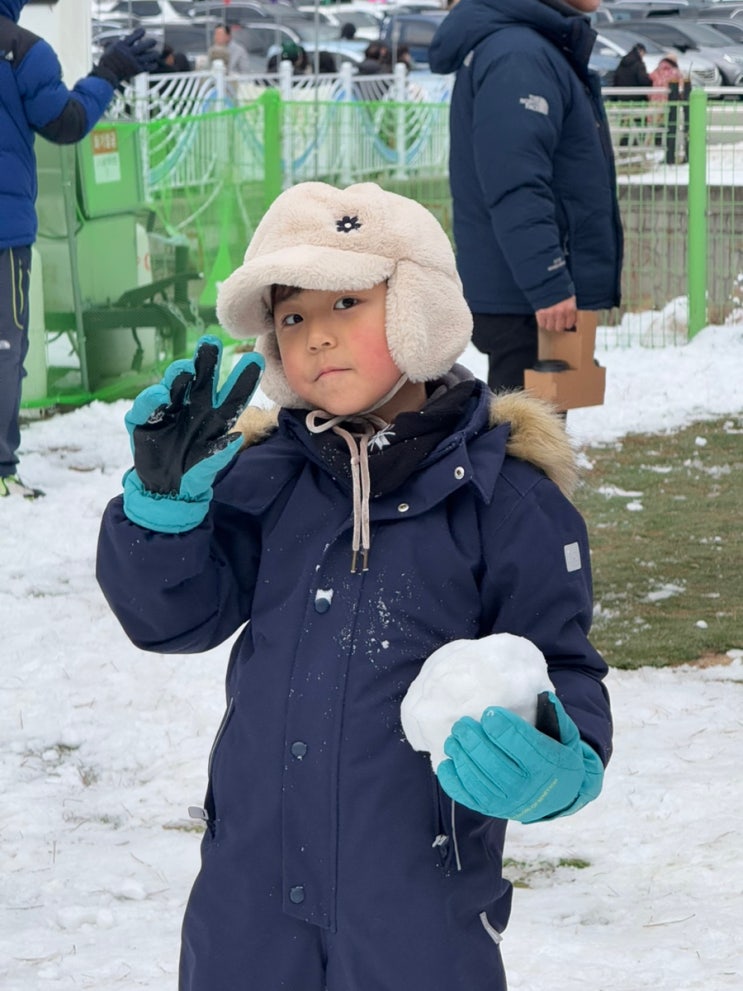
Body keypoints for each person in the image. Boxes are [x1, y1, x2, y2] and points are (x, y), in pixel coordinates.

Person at [96, 180, 612, 991]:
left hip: (416, 909)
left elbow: (562, 664)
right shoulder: (263, 476)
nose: (317, 335)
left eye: (345, 302)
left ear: (416, 310)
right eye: (291, 317)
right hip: (249, 903)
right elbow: (173, 618)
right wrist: (162, 513)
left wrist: (557, 758)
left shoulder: (504, 498)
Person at [0, 0, 158, 499]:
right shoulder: (19, 49)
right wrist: (110, 72)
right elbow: (65, 122)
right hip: (4, 234)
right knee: (3, 348)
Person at [428, 0, 622, 394]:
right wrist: (548, 281)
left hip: (538, 289)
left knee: (550, 418)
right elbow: (516, 182)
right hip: (531, 297)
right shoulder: (519, 54)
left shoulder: (533, 46)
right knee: (528, 427)